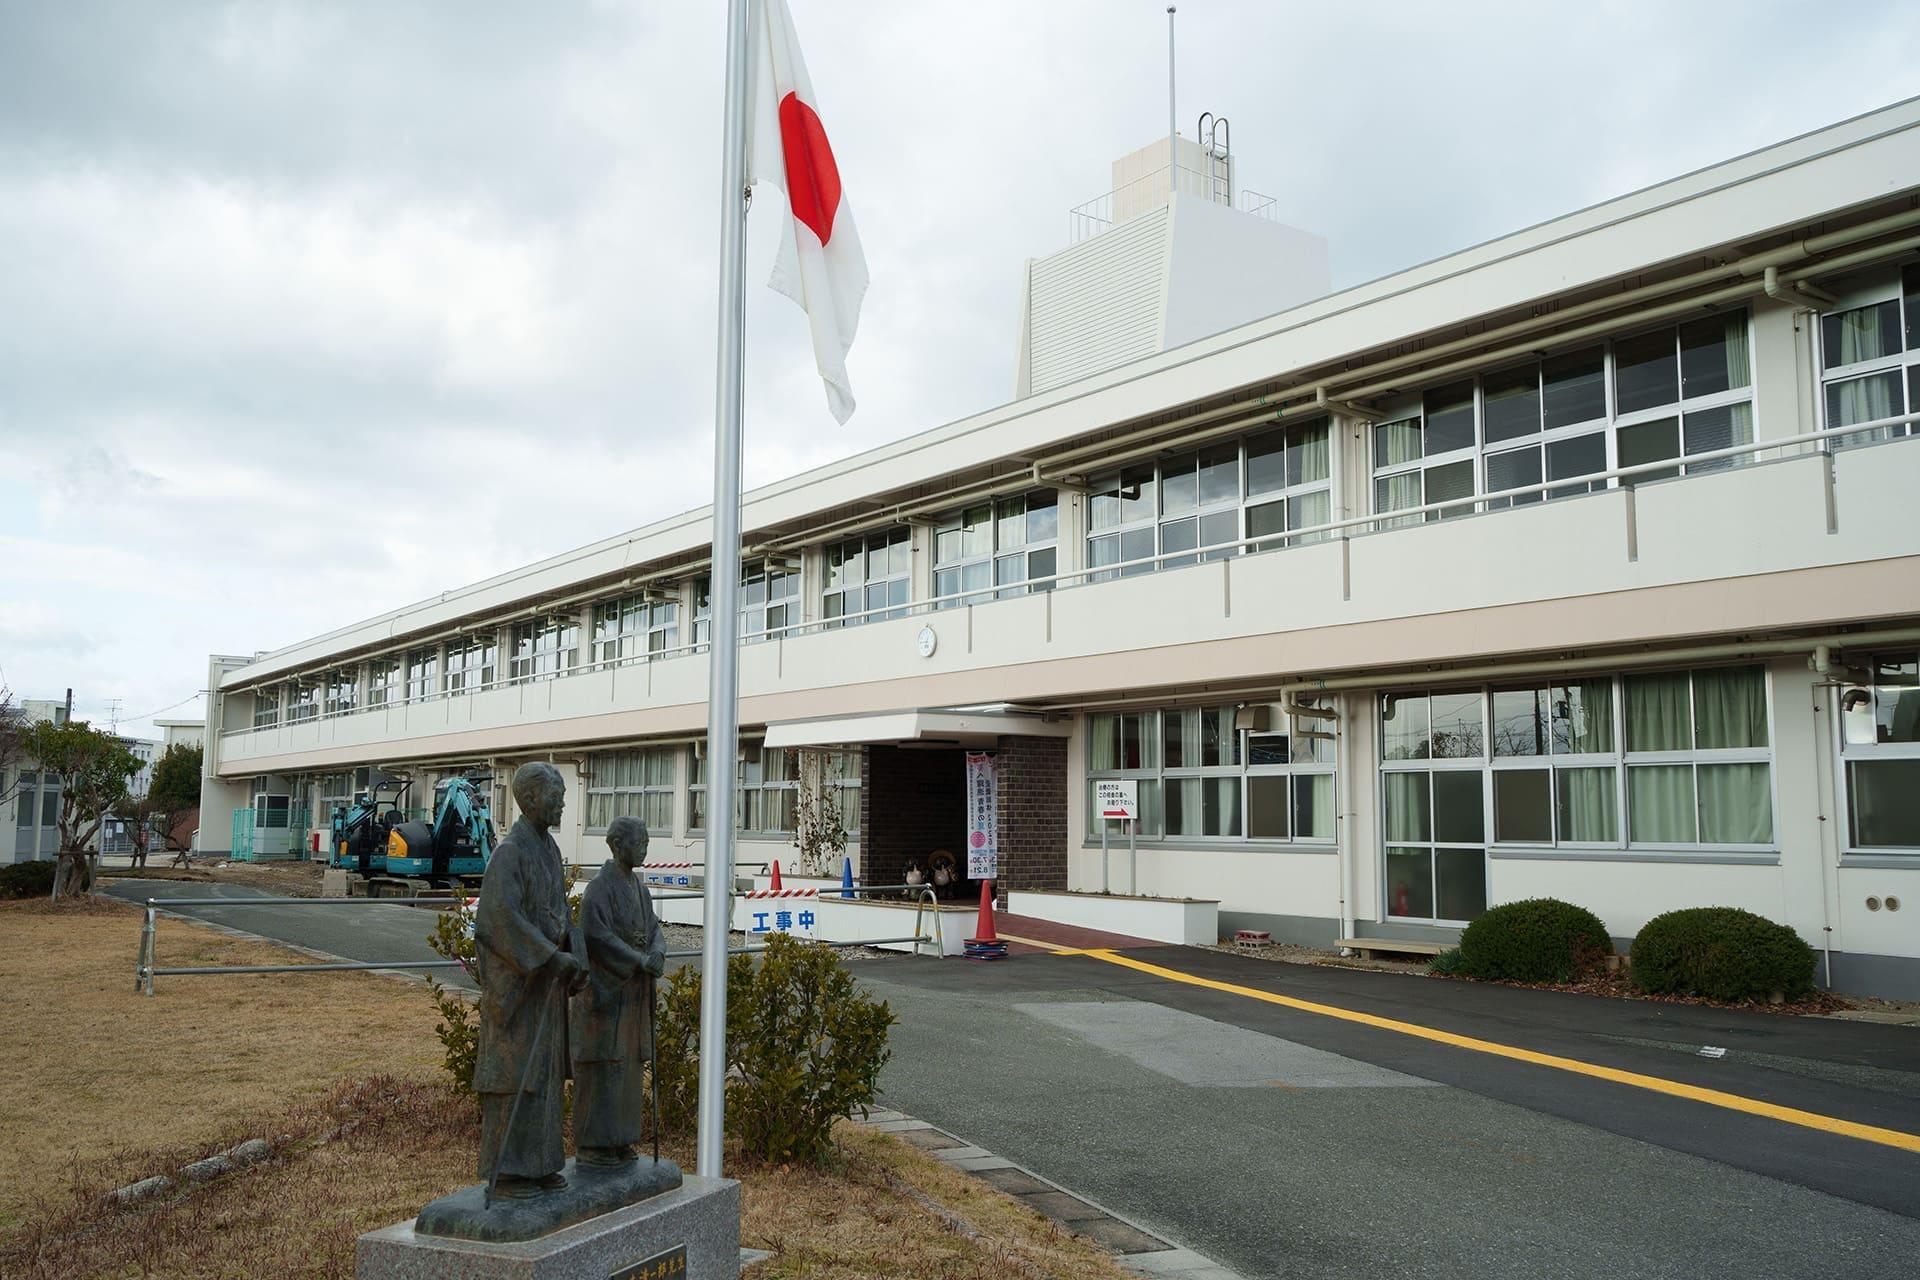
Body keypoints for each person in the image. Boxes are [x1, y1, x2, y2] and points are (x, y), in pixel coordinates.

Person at [473, 762, 586, 1197]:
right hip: (519, 991)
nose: (562, 803)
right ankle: (509, 1173)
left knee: (545, 1076)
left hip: (546, 987)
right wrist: (545, 956)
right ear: (531, 799)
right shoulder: (510, 852)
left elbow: (559, 912)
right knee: (515, 1076)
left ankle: (540, 1164)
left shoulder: (548, 849)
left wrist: (572, 956)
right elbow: (498, 919)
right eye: (556, 795)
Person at [571, 816, 667, 1166]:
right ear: (616, 845)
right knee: (604, 1067)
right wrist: (638, 960)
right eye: (638, 841)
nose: (644, 847)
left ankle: (622, 1140)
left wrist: (657, 952)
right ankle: (595, 1145)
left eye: (646, 841)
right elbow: (597, 936)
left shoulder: (640, 890)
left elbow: (655, 929)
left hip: (634, 993)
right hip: (606, 993)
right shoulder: (599, 889)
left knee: (628, 1068)